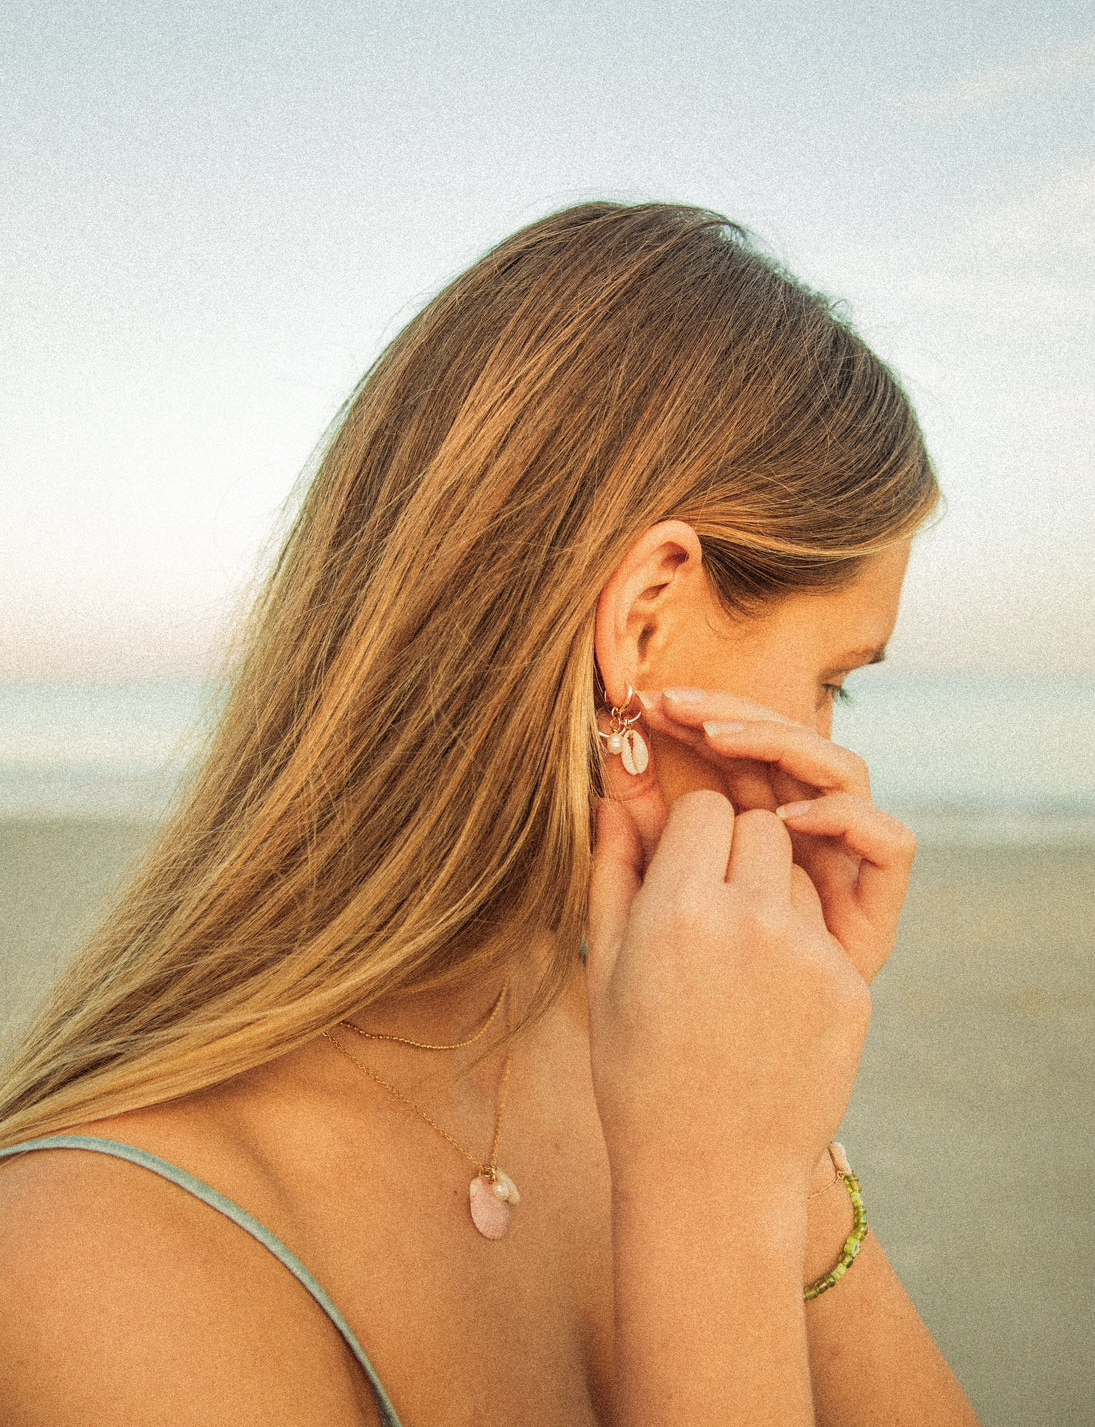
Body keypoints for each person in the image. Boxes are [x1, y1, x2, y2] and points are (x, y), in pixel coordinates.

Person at [0, 201, 981, 1425]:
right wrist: (716, 1202)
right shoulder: (84, 1271)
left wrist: (790, 1154)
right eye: (833, 679)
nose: (835, 755)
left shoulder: (642, 1055)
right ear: (644, 621)